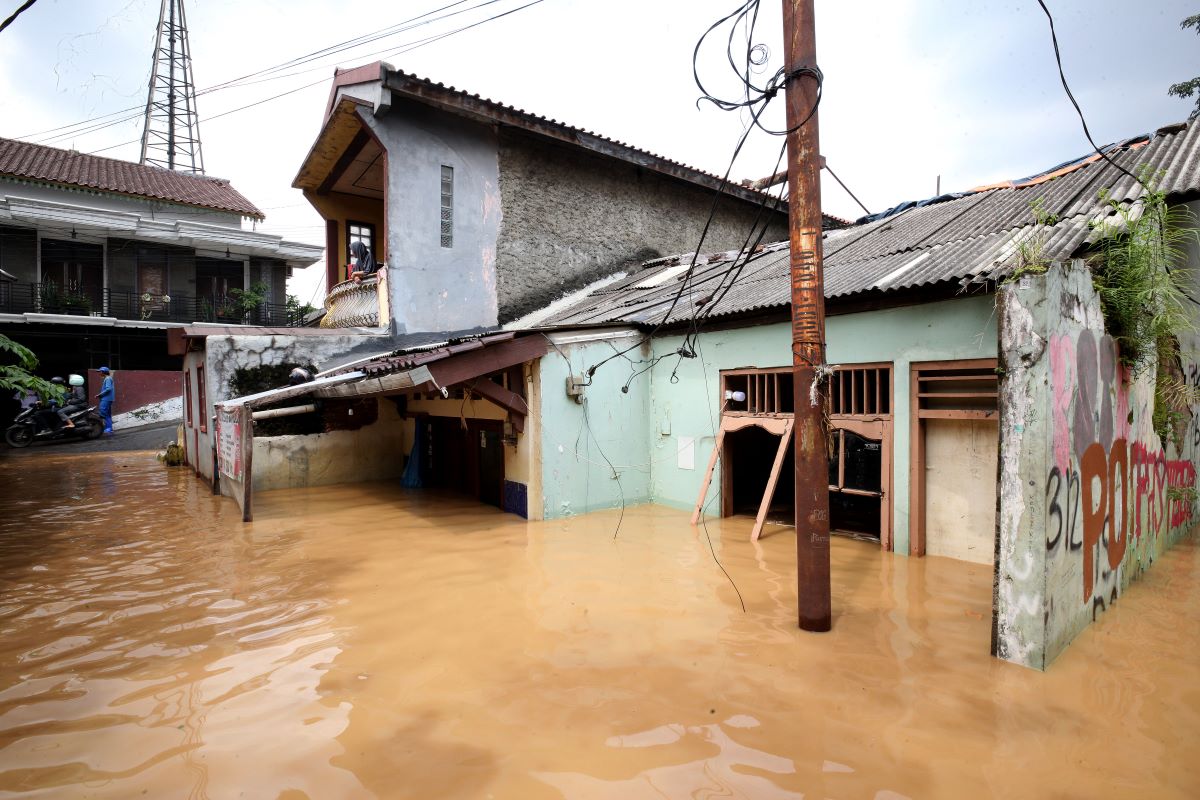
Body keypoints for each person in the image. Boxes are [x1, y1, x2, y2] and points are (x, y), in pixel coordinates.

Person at [96, 366, 115, 435]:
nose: (99, 373)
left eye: (100, 372)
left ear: (104, 372)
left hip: (106, 399)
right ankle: (109, 429)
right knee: (108, 414)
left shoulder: (107, 379)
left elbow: (108, 389)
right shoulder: (107, 378)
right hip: (108, 399)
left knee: (103, 414)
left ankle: (107, 428)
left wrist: (100, 395)